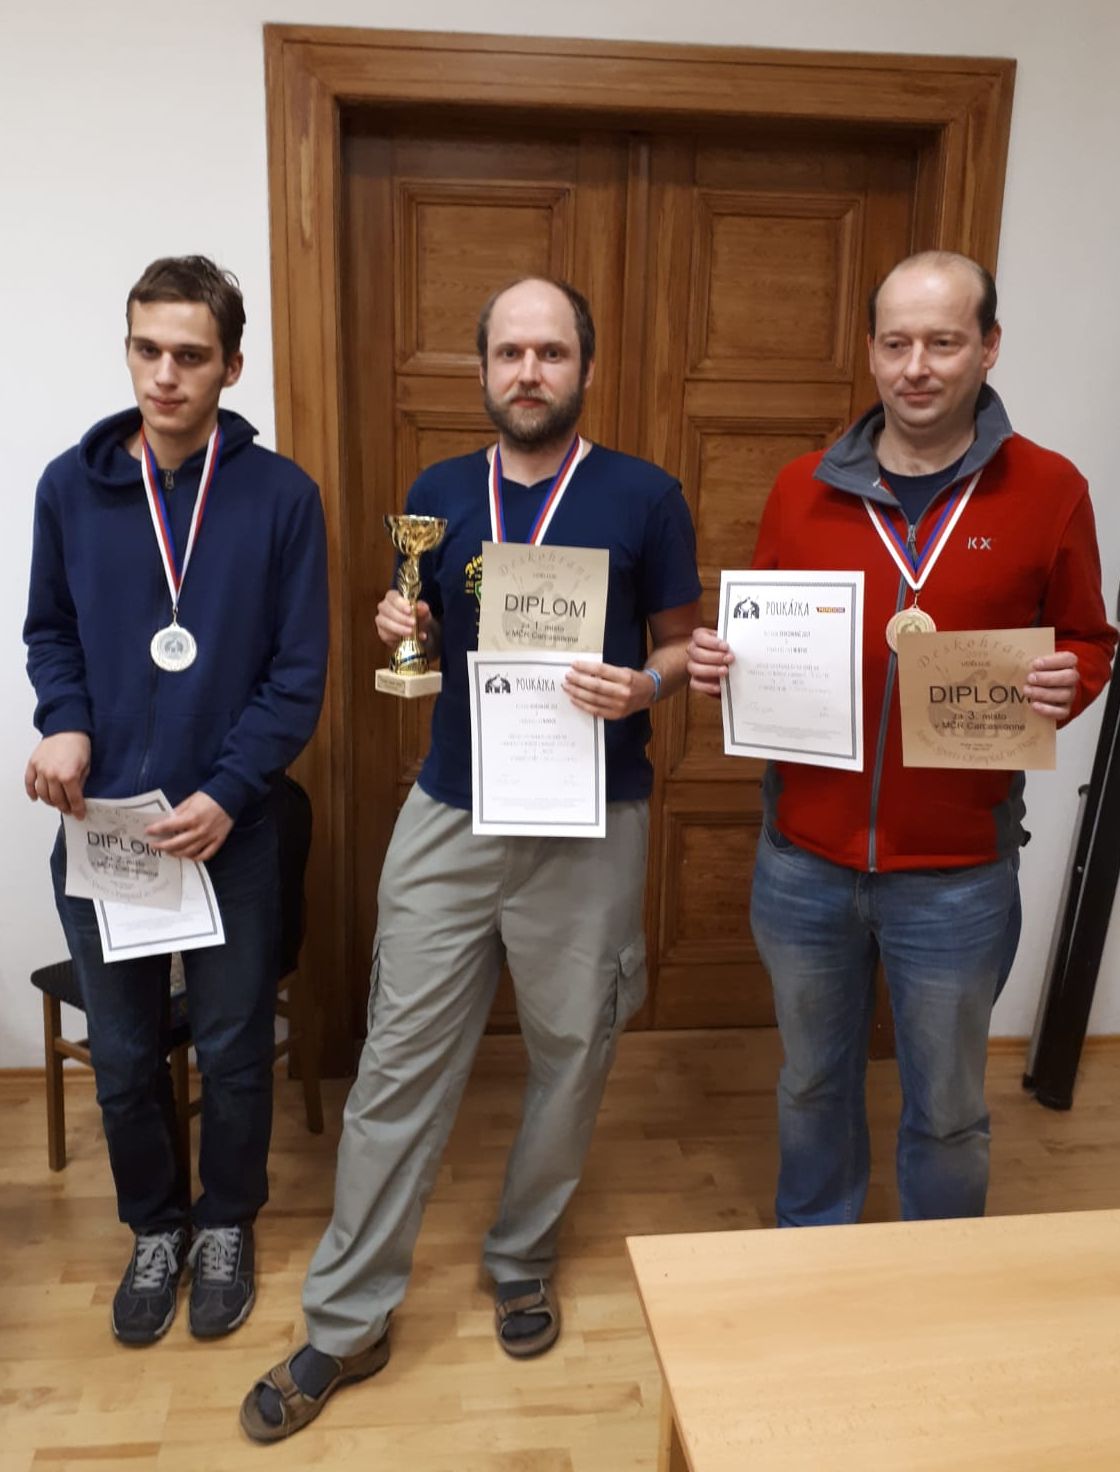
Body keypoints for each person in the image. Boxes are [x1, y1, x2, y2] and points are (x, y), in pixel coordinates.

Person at [240, 276, 701, 1441]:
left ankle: (522, 1255)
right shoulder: (440, 493)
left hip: (591, 814)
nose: (528, 371)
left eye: (550, 351)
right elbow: (436, 628)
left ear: (583, 366)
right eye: (509, 352)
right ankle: (349, 1315)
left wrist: (645, 686)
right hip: (453, 811)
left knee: (572, 1051)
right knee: (398, 1059)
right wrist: (408, 626)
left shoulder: (645, 494)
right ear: (483, 368)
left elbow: (682, 646)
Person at [688, 250, 1115, 1229]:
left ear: (989, 347)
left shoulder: (1050, 488)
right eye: (895, 343)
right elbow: (761, 630)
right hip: (803, 863)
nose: (916, 366)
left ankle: (939, 1280)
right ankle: (815, 1248)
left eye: (943, 342)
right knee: (810, 1084)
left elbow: (1089, 638)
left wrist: (1073, 678)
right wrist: (722, 659)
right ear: (873, 352)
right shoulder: (800, 488)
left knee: (951, 1110)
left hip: (956, 876)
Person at [23, 256, 329, 1344]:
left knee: (236, 1049)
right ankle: (156, 1225)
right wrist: (63, 720)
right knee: (122, 1055)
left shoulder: (282, 497)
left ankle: (227, 1221)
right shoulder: (69, 487)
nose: (165, 375)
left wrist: (230, 791)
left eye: (191, 355)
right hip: (107, 830)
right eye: (147, 349)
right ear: (128, 352)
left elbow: (297, 674)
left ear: (231, 367)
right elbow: (49, 631)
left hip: (227, 833)